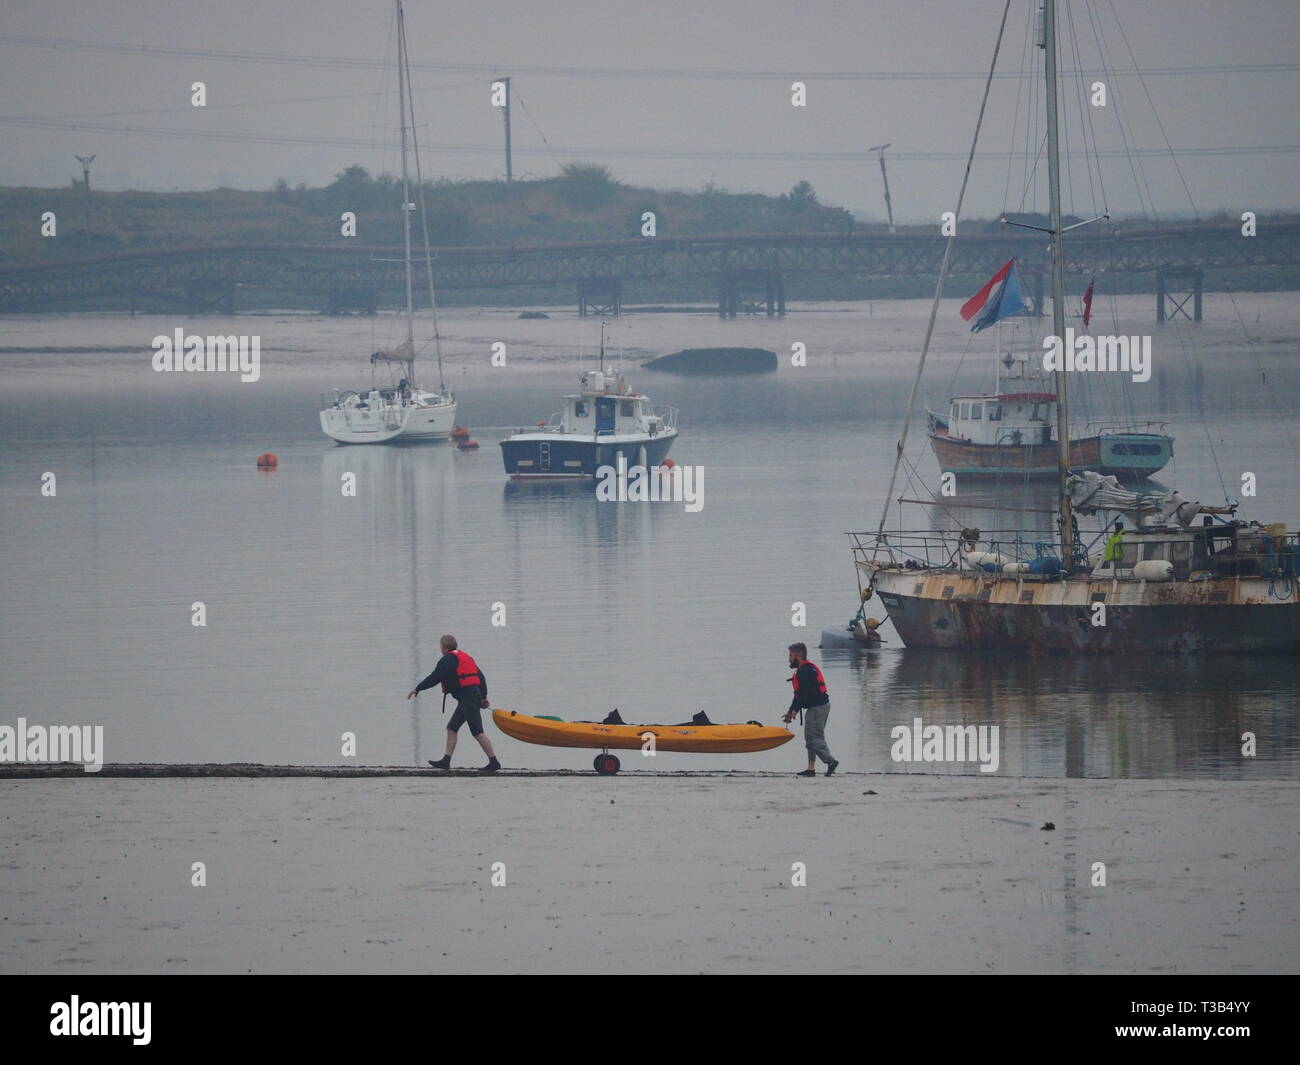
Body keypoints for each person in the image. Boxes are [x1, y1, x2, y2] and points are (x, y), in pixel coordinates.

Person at [407, 634, 500, 773]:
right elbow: (481, 677)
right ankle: (446, 761)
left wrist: (418, 688)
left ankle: (494, 762)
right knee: (452, 728)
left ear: (443, 647)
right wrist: (483, 696)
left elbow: (435, 677)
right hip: (469, 697)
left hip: (468, 698)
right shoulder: (465, 657)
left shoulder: (448, 659)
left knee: (477, 732)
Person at [783, 642, 837, 777]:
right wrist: (791, 711)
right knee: (811, 738)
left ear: (798, 656)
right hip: (821, 706)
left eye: (791, 655)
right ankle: (811, 768)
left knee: (813, 738)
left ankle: (831, 761)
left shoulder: (804, 671)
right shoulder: (806, 669)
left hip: (817, 708)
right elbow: (799, 695)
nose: (789, 658)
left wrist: (793, 712)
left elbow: (802, 694)